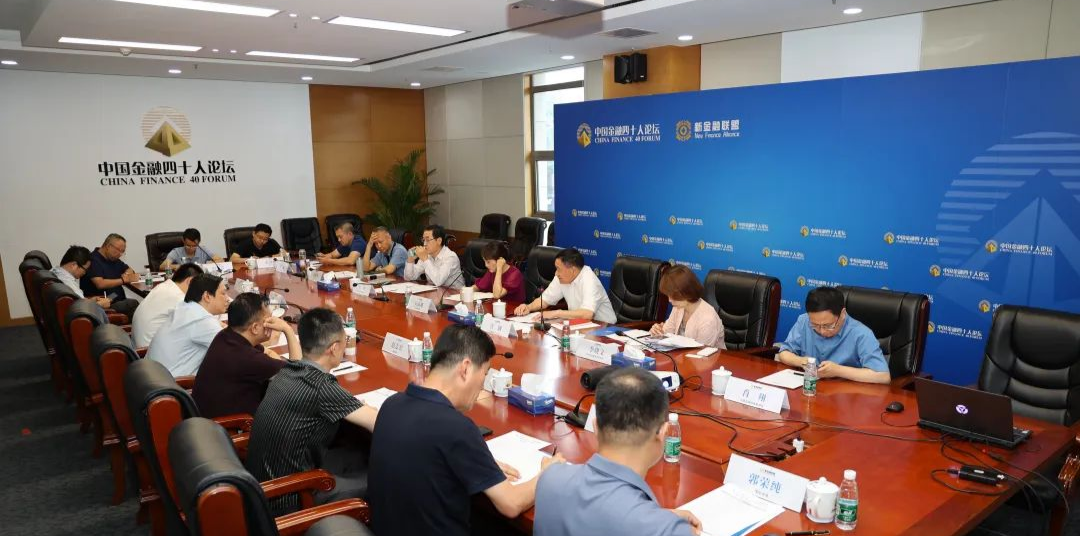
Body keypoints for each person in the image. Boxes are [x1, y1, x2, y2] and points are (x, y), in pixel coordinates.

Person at [368, 324, 565, 536]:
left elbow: (427, 456)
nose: (482, 386)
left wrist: (479, 463)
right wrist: (548, 473)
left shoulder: (391, 404)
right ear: (465, 369)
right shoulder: (455, 427)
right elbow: (511, 504)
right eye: (485, 374)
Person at [534, 367, 703, 536]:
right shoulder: (667, 530)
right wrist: (666, 524)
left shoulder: (549, 478)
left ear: (595, 426)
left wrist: (659, 519)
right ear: (662, 434)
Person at [246, 308, 378, 515]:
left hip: (266, 485)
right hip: (292, 496)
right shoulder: (320, 386)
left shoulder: (288, 370)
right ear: (334, 348)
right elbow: (379, 422)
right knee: (382, 479)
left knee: (359, 454)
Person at [193, 293, 301, 419]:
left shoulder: (226, 335)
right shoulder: (248, 358)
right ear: (254, 328)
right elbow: (299, 375)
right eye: (269, 320)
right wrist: (288, 330)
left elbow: (266, 354)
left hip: (205, 418)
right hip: (233, 425)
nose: (273, 324)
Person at [776, 286, 890, 384]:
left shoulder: (861, 334)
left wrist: (838, 371)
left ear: (842, 314)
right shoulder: (804, 321)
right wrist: (802, 362)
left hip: (845, 394)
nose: (822, 331)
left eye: (828, 326)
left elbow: (883, 376)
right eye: (815, 325)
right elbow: (784, 353)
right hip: (810, 388)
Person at [145, 273, 227, 376]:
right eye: (223, 293)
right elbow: (235, 349)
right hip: (174, 384)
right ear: (207, 296)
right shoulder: (201, 321)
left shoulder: (184, 307)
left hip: (150, 377)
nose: (227, 298)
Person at [514, 248, 617, 324]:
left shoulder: (589, 279)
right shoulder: (561, 277)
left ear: (572, 270)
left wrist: (557, 313)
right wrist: (528, 307)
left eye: (558, 269)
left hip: (605, 328)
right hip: (580, 325)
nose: (556, 273)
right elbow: (545, 300)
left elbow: (587, 314)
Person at [648, 265, 725, 349]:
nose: (669, 300)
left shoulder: (708, 319)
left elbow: (700, 352)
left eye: (673, 296)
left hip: (706, 356)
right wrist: (658, 332)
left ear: (687, 291)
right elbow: (667, 332)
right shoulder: (679, 306)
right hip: (681, 354)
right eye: (668, 295)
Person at [131, 263, 203, 348]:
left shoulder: (164, 286)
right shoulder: (179, 298)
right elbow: (199, 325)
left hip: (139, 346)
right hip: (148, 351)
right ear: (190, 281)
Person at [82, 233, 142, 318]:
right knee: (134, 304)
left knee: (139, 306)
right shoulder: (93, 260)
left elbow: (129, 270)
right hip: (103, 304)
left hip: (115, 297)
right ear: (108, 246)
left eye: (122, 251)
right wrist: (123, 280)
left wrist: (127, 274)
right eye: (118, 250)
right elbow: (100, 283)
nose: (120, 254)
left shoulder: (113, 258)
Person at [403, 224, 464, 288]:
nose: (424, 244)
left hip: (453, 292)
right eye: (423, 240)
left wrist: (425, 259)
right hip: (434, 291)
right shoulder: (427, 255)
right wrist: (410, 260)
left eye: (428, 240)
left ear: (439, 241)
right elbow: (409, 277)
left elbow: (438, 281)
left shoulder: (450, 257)